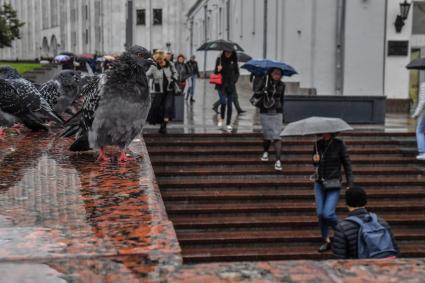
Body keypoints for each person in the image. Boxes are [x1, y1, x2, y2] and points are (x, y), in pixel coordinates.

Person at [312, 133, 353, 252]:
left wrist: (350, 183)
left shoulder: (339, 144)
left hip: (333, 183)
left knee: (328, 214)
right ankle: (326, 240)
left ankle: (348, 232)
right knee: (320, 214)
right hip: (319, 183)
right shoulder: (317, 144)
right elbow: (315, 165)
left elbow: (347, 165)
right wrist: (315, 161)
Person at [332, 186, 399, 259]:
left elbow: (340, 259)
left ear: (347, 204)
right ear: (365, 202)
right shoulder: (381, 222)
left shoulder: (342, 227)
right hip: (384, 268)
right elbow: (395, 251)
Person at [254, 68, 286, 171]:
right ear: (270, 73)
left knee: (277, 136)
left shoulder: (282, 85)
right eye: (275, 73)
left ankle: (278, 161)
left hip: (277, 111)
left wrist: (282, 111)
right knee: (267, 135)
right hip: (265, 111)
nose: (277, 75)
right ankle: (265, 152)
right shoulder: (264, 81)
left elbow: (281, 99)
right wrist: (264, 90)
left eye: (279, 73)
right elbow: (256, 93)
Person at [146, 50, 180, 134]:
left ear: (163, 59)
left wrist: (174, 78)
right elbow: (147, 75)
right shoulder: (154, 67)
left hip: (169, 90)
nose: (159, 62)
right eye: (157, 60)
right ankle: (162, 124)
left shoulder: (170, 65)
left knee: (167, 107)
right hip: (159, 91)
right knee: (159, 109)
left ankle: (164, 126)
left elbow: (176, 73)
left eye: (160, 60)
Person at [214, 50, 240, 132]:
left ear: (232, 53)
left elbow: (237, 73)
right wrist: (218, 69)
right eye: (226, 52)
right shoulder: (220, 60)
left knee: (229, 105)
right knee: (223, 102)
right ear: (224, 52)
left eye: (230, 52)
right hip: (221, 85)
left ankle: (228, 123)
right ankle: (221, 120)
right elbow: (215, 72)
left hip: (230, 86)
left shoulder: (234, 62)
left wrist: (234, 80)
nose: (228, 54)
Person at [412, 80, 425, 160]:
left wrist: (416, 114)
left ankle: (423, 152)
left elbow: (423, 102)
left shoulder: (424, 85)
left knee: (419, 131)